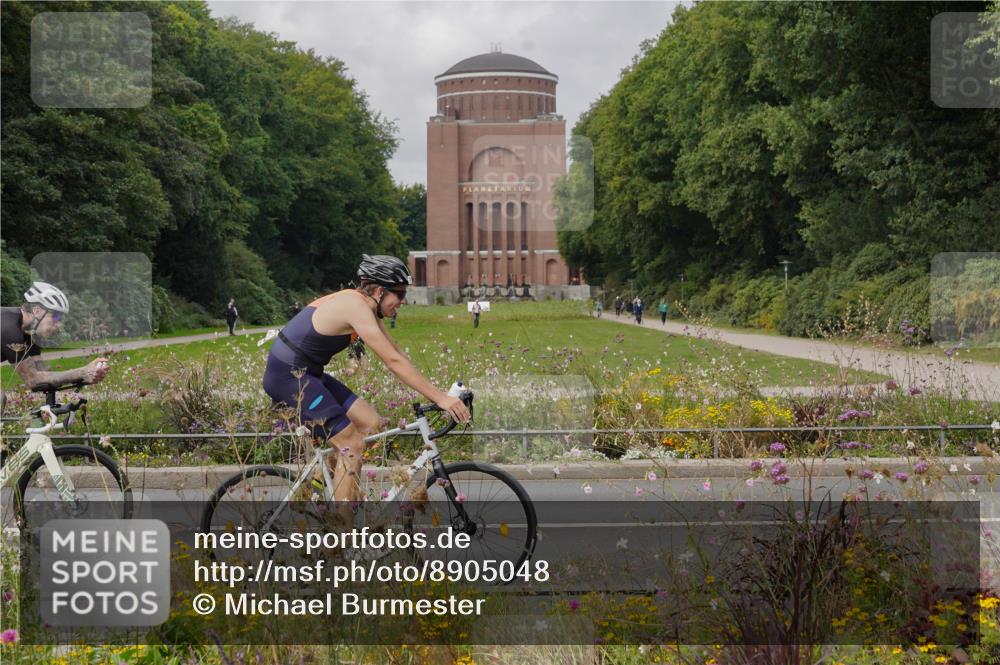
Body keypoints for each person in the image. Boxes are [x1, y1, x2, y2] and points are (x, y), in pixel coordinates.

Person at [263, 255, 471, 503]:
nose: (402, 302)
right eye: (400, 295)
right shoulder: (355, 307)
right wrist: (440, 399)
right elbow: (392, 362)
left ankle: (321, 480)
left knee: (372, 423)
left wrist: (438, 393)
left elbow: (395, 353)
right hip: (288, 376)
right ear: (381, 291)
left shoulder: (366, 306)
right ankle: (341, 532)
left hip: (309, 373)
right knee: (351, 445)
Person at [1, 282, 109, 408]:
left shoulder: (30, 334)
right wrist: (82, 372)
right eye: (56, 316)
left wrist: (84, 377)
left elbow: (42, 374)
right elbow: (33, 380)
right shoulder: (8, 327)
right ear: (37, 311)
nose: (59, 324)